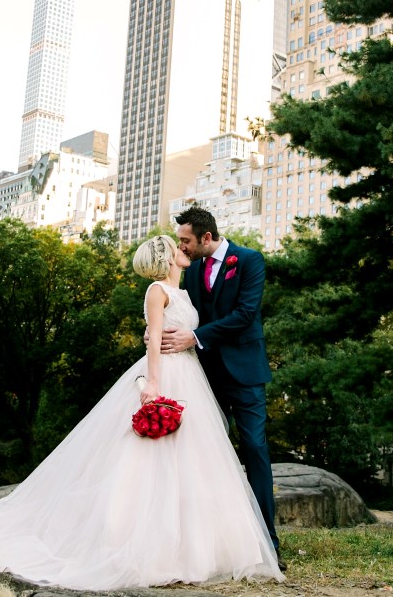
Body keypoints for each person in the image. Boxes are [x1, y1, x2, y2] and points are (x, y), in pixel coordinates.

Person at [0, 235, 282, 590]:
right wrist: (153, 383)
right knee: (148, 460)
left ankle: (202, 543)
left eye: (184, 241)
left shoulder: (188, 288)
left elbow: (204, 325)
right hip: (166, 375)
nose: (183, 248)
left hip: (193, 375)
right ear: (167, 257)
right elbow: (156, 337)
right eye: (177, 245)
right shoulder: (156, 290)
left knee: (196, 460)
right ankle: (144, 541)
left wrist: (186, 338)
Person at [160, 206, 281, 563]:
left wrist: (194, 336)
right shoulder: (192, 269)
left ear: (206, 237)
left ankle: (267, 542)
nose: (181, 247)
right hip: (204, 376)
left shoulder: (249, 260)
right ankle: (215, 541)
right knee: (205, 453)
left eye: (186, 241)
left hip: (245, 374)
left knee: (255, 450)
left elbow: (245, 315)